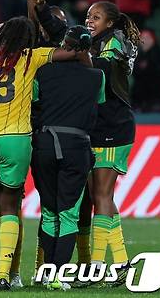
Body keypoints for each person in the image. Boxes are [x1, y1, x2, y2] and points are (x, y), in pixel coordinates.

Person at [0, 14, 85, 290]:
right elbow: (70, 52)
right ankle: (4, 276)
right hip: (16, 138)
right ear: (26, 39)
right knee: (8, 208)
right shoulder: (31, 56)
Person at [31, 26, 104, 291]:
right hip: (77, 146)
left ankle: (46, 273)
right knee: (69, 215)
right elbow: (98, 106)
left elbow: (34, 104)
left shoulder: (43, 72)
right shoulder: (97, 77)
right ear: (87, 50)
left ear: (64, 44)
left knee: (49, 212)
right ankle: (60, 276)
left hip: (45, 144)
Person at [82, 1, 140, 287]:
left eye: (96, 17)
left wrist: (75, 54)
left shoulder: (115, 42)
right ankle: (120, 265)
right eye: (88, 16)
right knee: (100, 197)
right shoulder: (97, 42)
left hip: (114, 128)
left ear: (110, 22)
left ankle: (96, 266)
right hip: (100, 126)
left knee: (102, 196)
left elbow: (102, 68)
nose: (90, 21)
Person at [131, 29, 160, 112]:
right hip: (138, 100)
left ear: (153, 40)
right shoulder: (136, 56)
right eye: (142, 38)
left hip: (157, 100)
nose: (145, 40)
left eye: (148, 38)